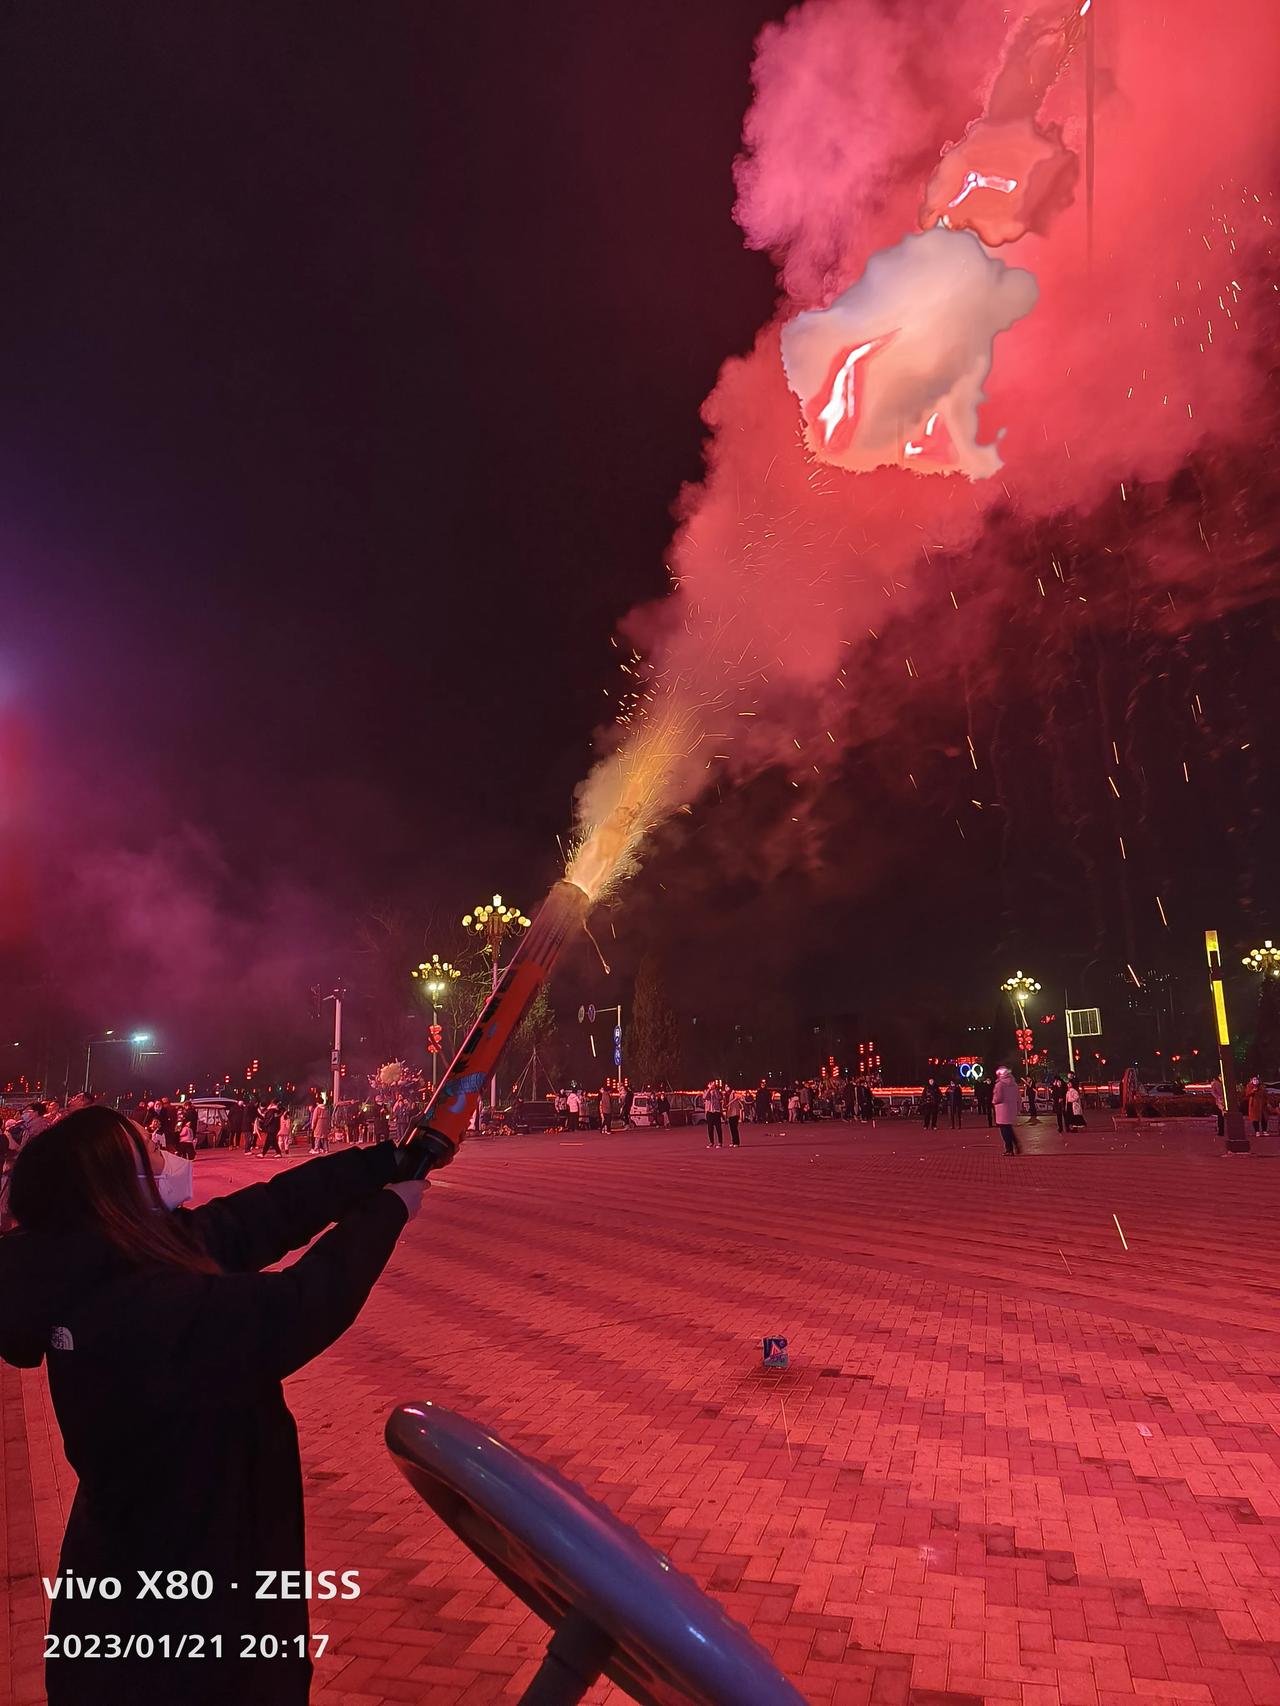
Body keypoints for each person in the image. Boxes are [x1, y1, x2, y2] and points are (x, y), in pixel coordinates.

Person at [0, 1105, 424, 1706]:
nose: (163, 1161)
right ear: (115, 1190)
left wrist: (384, 1163)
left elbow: (257, 1216)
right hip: (178, 1619)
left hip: (144, 1576)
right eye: (148, 1158)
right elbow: (297, 1307)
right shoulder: (136, 1305)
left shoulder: (101, 1258)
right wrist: (388, 1211)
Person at [993, 1066, 1022, 1154]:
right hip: (1011, 1109)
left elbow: (998, 1098)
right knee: (1009, 1128)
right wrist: (1018, 1108)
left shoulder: (1000, 1084)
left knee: (1004, 1130)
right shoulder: (1014, 1084)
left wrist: (993, 1101)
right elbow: (1018, 1097)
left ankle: (1009, 1149)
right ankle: (1016, 1144)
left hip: (1002, 1110)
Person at [703, 1082, 724, 1148]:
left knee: (718, 1128)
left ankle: (720, 1142)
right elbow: (705, 1097)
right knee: (710, 1128)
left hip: (716, 1112)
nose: (711, 1086)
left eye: (713, 1085)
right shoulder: (706, 1091)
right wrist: (709, 1090)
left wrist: (714, 1090)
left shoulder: (717, 1092)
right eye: (710, 1084)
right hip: (709, 1112)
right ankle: (711, 1142)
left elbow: (719, 1098)